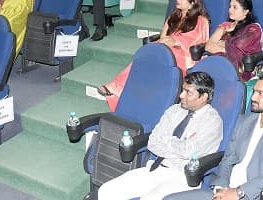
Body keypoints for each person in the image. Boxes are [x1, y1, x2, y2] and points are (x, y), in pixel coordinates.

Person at [166, 72, 263, 200]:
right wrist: (221, 187)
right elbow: (228, 158)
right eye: (254, 92)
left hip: (251, 194)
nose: (253, 97)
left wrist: (239, 191)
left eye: (260, 94)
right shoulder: (244, 121)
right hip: (224, 191)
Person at [96, 71, 224, 200]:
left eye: (188, 92)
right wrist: (178, 144)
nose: (181, 95)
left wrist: (167, 141)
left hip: (182, 176)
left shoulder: (212, 121)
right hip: (156, 168)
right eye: (182, 90)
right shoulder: (174, 110)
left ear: (204, 97)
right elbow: (152, 142)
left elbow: (189, 151)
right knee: (106, 191)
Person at [96, 0, 210, 111]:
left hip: (185, 56)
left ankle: (117, 88)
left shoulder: (201, 20)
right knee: (145, 56)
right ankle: (123, 90)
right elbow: (163, 37)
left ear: (191, 3)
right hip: (166, 49)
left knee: (159, 56)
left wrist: (176, 42)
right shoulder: (173, 17)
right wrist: (165, 42)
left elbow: (202, 41)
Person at [204, 0, 263, 81]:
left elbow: (236, 52)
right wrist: (225, 46)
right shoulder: (225, 25)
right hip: (219, 63)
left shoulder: (253, 29)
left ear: (246, 11)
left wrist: (222, 44)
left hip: (239, 72)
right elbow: (208, 46)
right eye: (230, 6)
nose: (230, 10)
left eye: (235, 7)